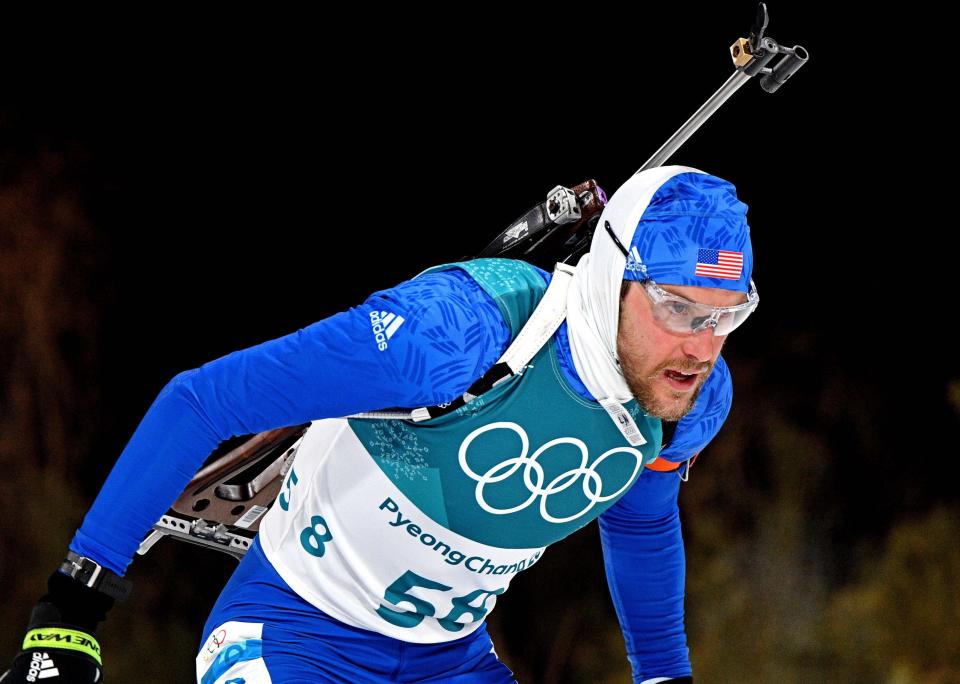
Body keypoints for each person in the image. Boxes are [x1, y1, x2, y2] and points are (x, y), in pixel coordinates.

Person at [3, 164, 758, 683]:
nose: (702, 344)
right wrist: (69, 613)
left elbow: (639, 523)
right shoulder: (454, 333)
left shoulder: (687, 398)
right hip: (295, 639)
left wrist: (663, 673)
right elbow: (203, 400)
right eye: (677, 308)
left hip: (449, 660)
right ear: (610, 276)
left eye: (728, 315)